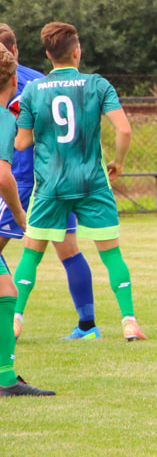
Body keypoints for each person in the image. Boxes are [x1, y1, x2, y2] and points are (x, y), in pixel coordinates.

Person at [13, 22, 146, 340]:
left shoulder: (32, 90)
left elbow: (21, 143)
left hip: (51, 186)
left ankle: (15, 320)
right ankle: (129, 322)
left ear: (48, 54)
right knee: (111, 253)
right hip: (92, 183)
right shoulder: (98, 84)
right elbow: (124, 130)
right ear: (77, 52)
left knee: (31, 252)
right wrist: (119, 162)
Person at [0, 24, 100, 340]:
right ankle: (88, 325)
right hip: (53, 178)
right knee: (69, 249)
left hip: (16, 178)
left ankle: (10, 321)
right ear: (15, 50)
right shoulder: (43, 81)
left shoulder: (14, 82)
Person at [0, 44, 54, 396]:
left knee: (7, 290)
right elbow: (3, 176)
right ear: (15, 79)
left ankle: (5, 379)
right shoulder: (5, 118)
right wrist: (21, 214)